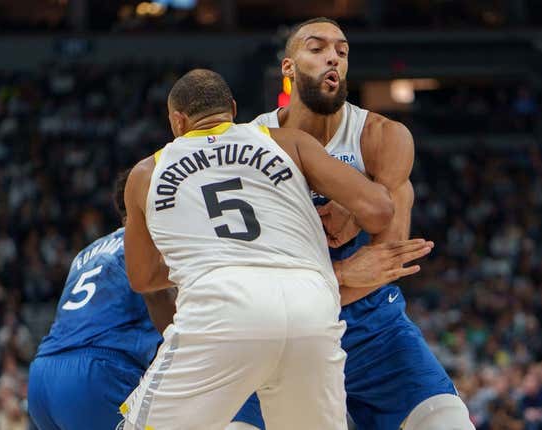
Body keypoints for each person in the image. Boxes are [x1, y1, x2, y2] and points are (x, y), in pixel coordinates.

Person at [119, 69, 432, 430]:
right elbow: (379, 208)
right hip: (312, 304)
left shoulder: (145, 172)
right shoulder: (287, 141)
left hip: (222, 306)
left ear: (177, 121)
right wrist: (351, 214)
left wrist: (201, 260)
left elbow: (141, 278)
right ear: (233, 109)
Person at [240, 17, 475, 430]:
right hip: (280, 331)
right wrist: (342, 271)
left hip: (371, 327)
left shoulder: (382, 136)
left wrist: (358, 204)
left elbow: (387, 263)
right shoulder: (249, 143)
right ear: (288, 67)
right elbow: (245, 272)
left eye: (342, 51)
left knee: (448, 423)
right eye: (316, 48)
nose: (333, 56)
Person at [27, 171, 174, 430]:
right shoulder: (151, 240)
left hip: (43, 375)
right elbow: (154, 294)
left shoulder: (87, 252)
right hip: (97, 374)